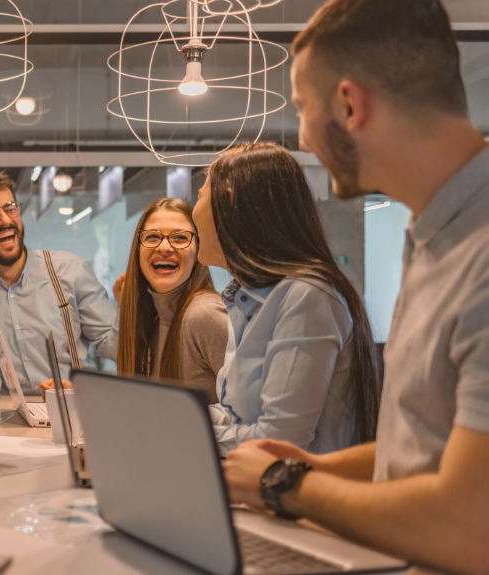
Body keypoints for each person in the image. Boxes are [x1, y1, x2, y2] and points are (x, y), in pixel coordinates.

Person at [221, 1, 489, 572]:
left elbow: (470, 526)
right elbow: (425, 444)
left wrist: (284, 484)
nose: (303, 137)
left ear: (349, 105)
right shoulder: (436, 232)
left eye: (302, 109)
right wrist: (313, 468)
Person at [192, 142, 379, 456]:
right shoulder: (248, 299)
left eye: (199, 196)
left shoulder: (306, 296)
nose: (192, 212)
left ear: (229, 201)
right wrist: (180, 418)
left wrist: (189, 431)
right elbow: (237, 416)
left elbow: (279, 441)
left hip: (298, 487)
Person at [0, 173, 117, 406]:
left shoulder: (71, 271)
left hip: (75, 406)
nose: (5, 220)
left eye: (10, 208)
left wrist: (129, 308)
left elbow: (112, 345)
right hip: (4, 414)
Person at [114, 198, 227, 403]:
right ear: (138, 251)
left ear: (198, 254)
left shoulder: (204, 315)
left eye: (180, 238)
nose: (164, 247)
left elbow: (251, 410)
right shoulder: (157, 318)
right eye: (152, 237)